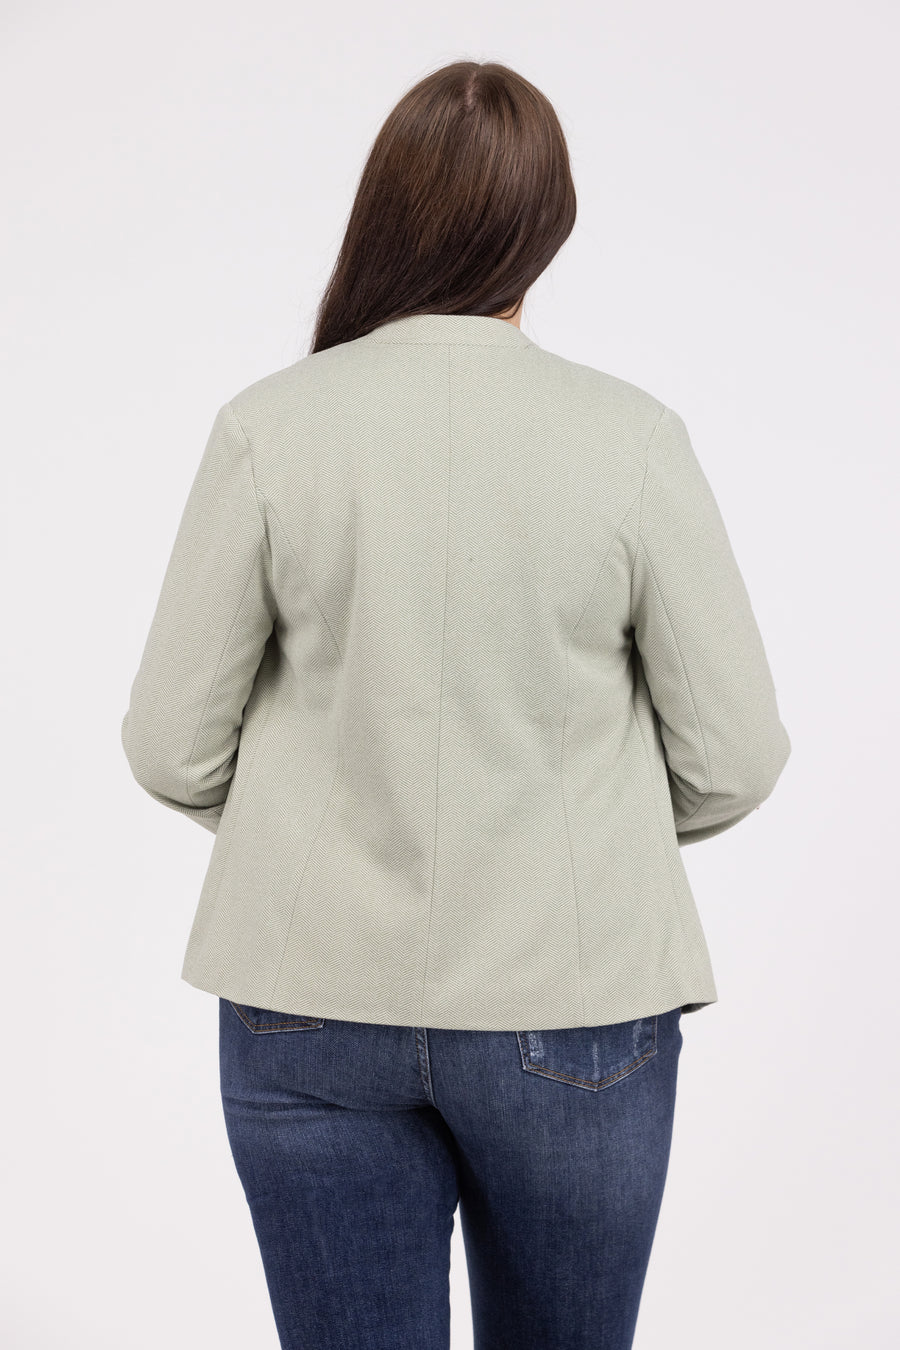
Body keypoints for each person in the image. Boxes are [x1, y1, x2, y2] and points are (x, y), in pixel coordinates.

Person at [121, 58, 790, 1350]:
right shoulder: (632, 440)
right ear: (548, 226)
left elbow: (167, 745)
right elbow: (737, 757)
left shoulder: (269, 428)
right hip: (573, 1006)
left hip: (306, 1001)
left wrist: (315, 823)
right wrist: (572, 837)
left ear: (386, 207)